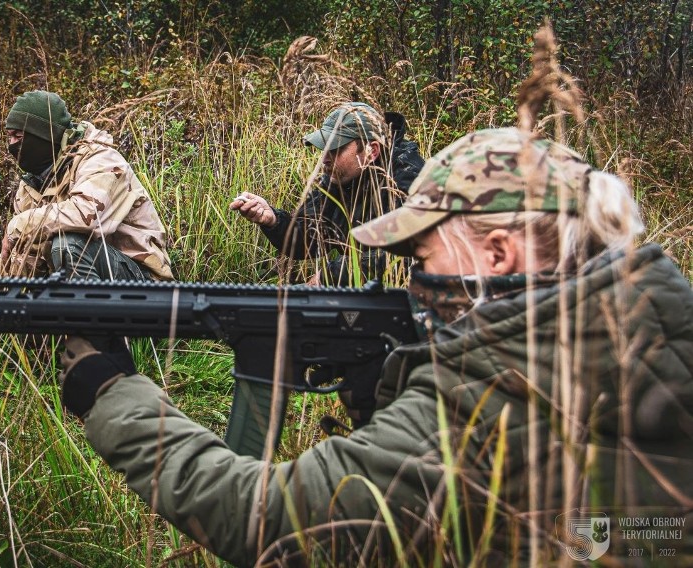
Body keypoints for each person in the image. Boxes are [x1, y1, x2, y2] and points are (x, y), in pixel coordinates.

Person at [58, 127, 692, 566]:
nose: (413, 279)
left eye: (421, 254)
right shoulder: (658, 333)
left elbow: (271, 522)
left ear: (496, 253)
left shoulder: (485, 399)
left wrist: (111, 393)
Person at [0, 90, 173, 282]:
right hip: (93, 286)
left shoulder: (102, 161)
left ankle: (93, 340)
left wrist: (18, 224)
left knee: (68, 245)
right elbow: (25, 265)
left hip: (145, 286)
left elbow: (86, 216)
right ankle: (73, 335)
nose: (11, 146)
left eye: (18, 137)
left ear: (44, 135)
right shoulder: (32, 186)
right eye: (8, 136)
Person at [230, 102, 424, 286]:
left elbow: (408, 256)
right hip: (361, 291)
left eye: (335, 149)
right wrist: (273, 220)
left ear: (371, 151)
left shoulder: (408, 179)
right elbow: (309, 239)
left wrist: (330, 276)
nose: (324, 158)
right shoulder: (338, 178)